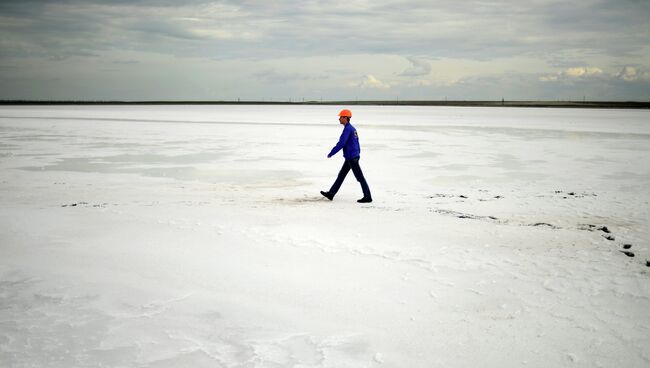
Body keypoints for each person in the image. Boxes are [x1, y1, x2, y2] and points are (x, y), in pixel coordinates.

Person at [320, 109, 372, 203]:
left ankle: (368, 197)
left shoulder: (348, 129)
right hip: (351, 156)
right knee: (341, 175)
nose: (339, 119)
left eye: (341, 117)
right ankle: (331, 194)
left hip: (352, 157)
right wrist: (357, 153)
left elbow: (342, 143)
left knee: (360, 177)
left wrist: (332, 153)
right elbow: (357, 142)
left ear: (346, 118)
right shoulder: (351, 128)